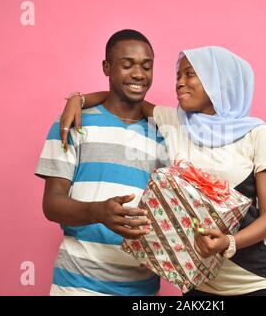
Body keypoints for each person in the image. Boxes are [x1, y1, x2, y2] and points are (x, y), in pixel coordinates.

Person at [62, 46, 266, 296]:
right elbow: (125, 98)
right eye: (178, 76)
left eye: (190, 74)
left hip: (254, 282)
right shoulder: (175, 122)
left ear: (218, 80)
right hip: (198, 284)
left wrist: (228, 243)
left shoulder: (258, 134)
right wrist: (79, 100)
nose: (180, 83)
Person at [35, 29, 168, 296]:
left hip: (144, 289)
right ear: (107, 67)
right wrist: (99, 212)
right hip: (77, 286)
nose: (139, 74)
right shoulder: (71, 124)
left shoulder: (165, 133)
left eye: (146, 66)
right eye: (127, 64)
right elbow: (52, 204)